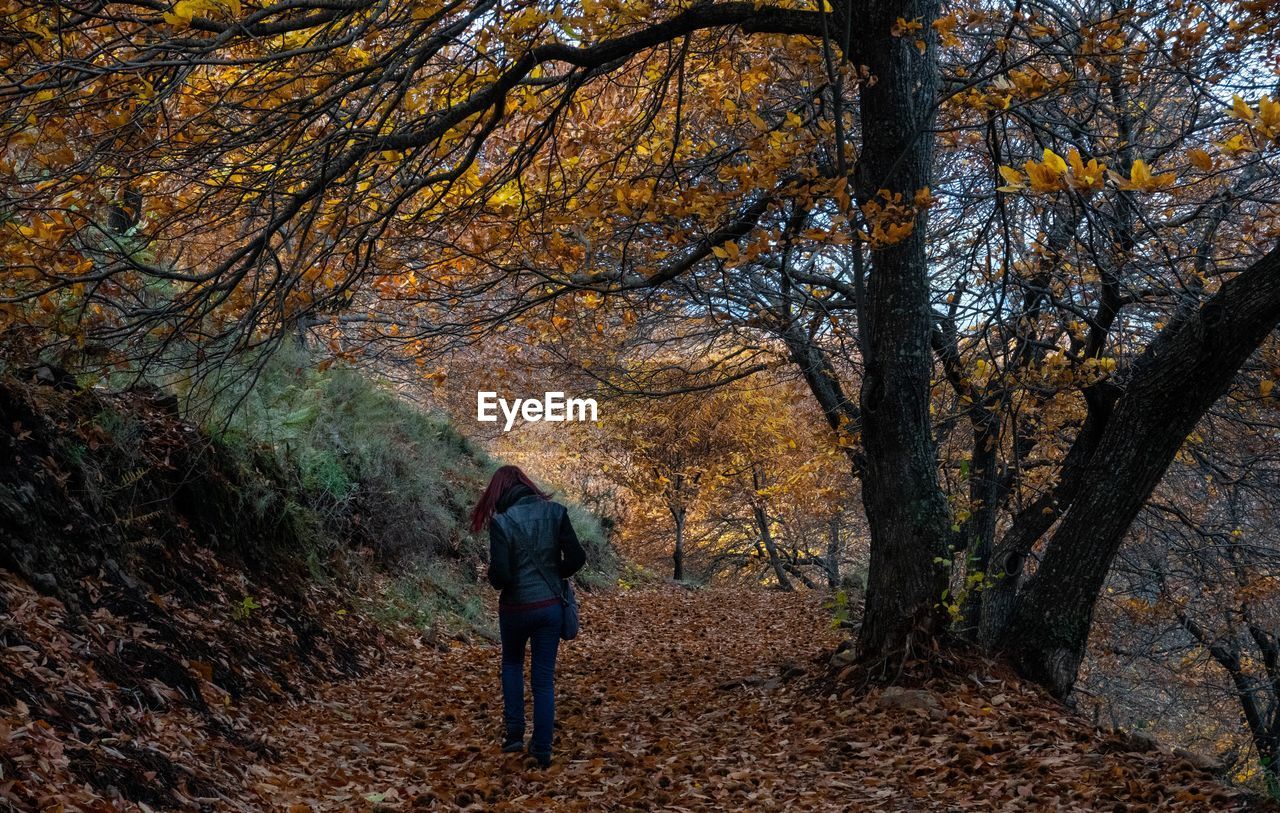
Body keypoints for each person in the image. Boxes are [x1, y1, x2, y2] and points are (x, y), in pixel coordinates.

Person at [471, 465, 586, 769]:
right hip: (549, 608)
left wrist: (495, 578)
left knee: (511, 665)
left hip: (516, 609)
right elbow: (577, 557)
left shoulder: (502, 522)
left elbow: (501, 576)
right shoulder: (556, 512)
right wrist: (554, 574)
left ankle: (514, 736)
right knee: (543, 680)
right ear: (525, 484)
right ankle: (543, 749)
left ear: (500, 491)